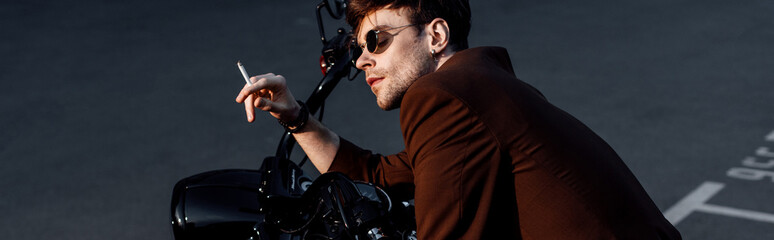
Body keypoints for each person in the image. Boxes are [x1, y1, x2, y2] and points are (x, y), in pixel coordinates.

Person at [236, 0, 682, 239]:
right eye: (358, 50)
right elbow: (378, 175)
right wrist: (296, 117)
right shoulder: (481, 92)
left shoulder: (442, 96)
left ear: (435, 34)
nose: (363, 61)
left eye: (377, 39)